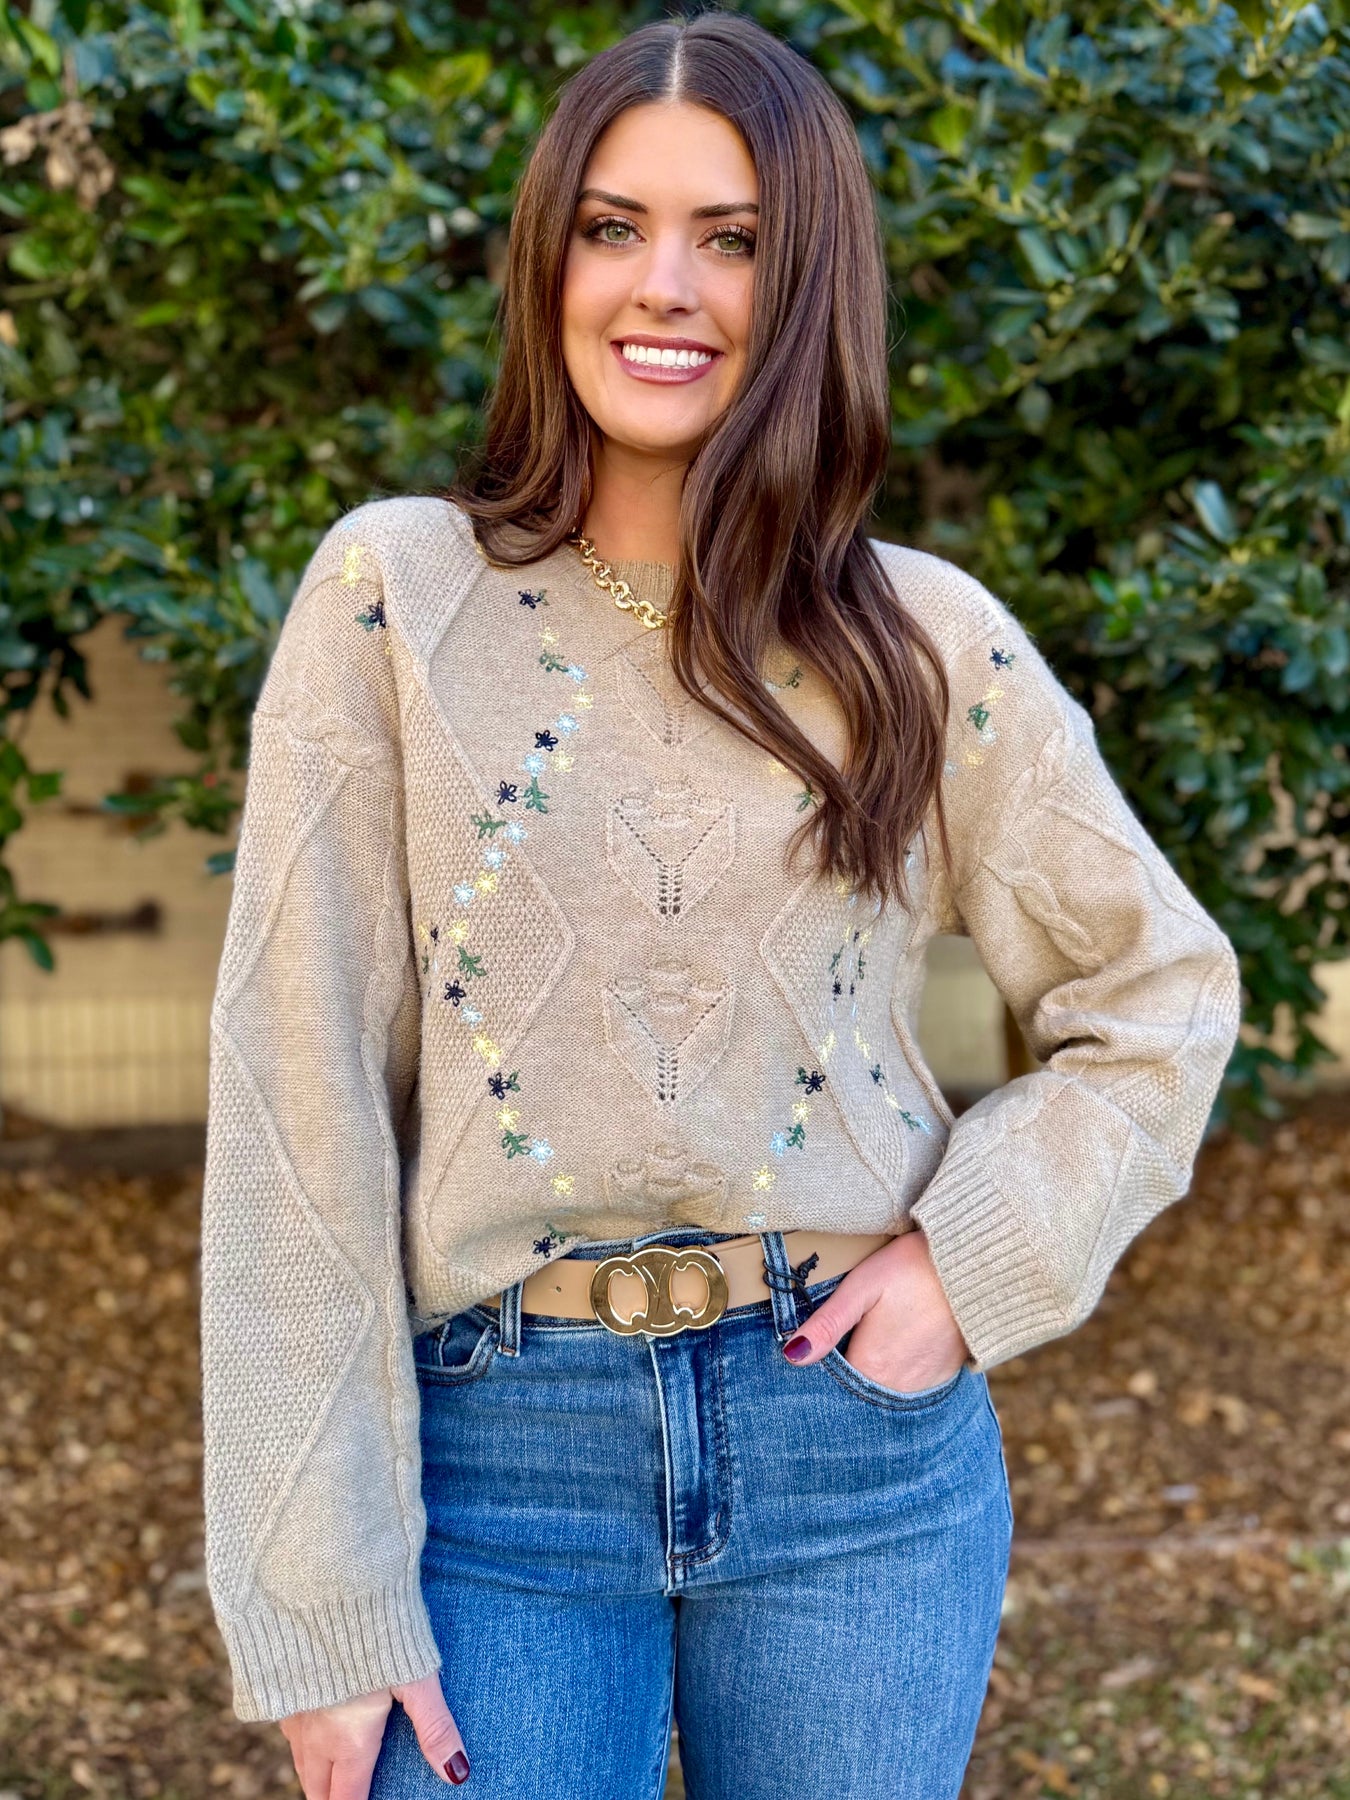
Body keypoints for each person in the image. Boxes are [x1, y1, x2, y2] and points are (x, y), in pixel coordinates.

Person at [198, 11, 1243, 1799]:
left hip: (856, 1468)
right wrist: (320, 1598)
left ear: (805, 278)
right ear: (549, 261)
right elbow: (297, 1106)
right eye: (612, 227)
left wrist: (967, 1262)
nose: (661, 286)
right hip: (492, 1472)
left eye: (731, 238)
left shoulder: (921, 640)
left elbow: (1160, 991)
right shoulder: (395, 600)